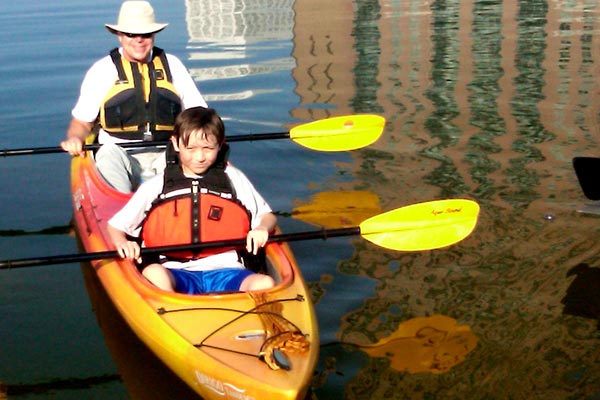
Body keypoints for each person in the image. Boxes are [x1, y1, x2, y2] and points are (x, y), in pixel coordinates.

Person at [107, 107, 276, 294]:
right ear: (176, 144)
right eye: (191, 149)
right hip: (174, 271)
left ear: (220, 145)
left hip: (227, 271)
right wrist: (122, 242)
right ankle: (172, 307)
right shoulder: (157, 186)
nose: (200, 157)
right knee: (154, 272)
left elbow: (266, 216)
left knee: (265, 284)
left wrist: (262, 228)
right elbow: (116, 227)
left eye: (208, 148)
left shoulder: (233, 179)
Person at [61, 0, 208, 193]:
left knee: (179, 178)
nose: (139, 40)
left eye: (145, 34)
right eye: (131, 34)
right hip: (118, 151)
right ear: (119, 36)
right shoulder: (102, 70)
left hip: (167, 150)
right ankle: (120, 209)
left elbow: (200, 116)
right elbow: (81, 123)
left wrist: (207, 146)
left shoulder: (173, 66)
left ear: (153, 35)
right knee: (108, 155)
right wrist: (75, 138)